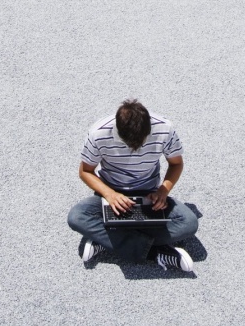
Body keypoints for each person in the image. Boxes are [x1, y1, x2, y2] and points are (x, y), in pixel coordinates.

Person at [67, 98, 199, 272]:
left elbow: (176, 164)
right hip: (111, 194)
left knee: (189, 223)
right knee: (77, 216)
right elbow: (85, 171)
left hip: (149, 194)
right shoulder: (98, 133)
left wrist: (163, 190)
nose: (134, 149)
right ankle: (156, 252)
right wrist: (110, 194)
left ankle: (108, 241)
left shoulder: (165, 129)